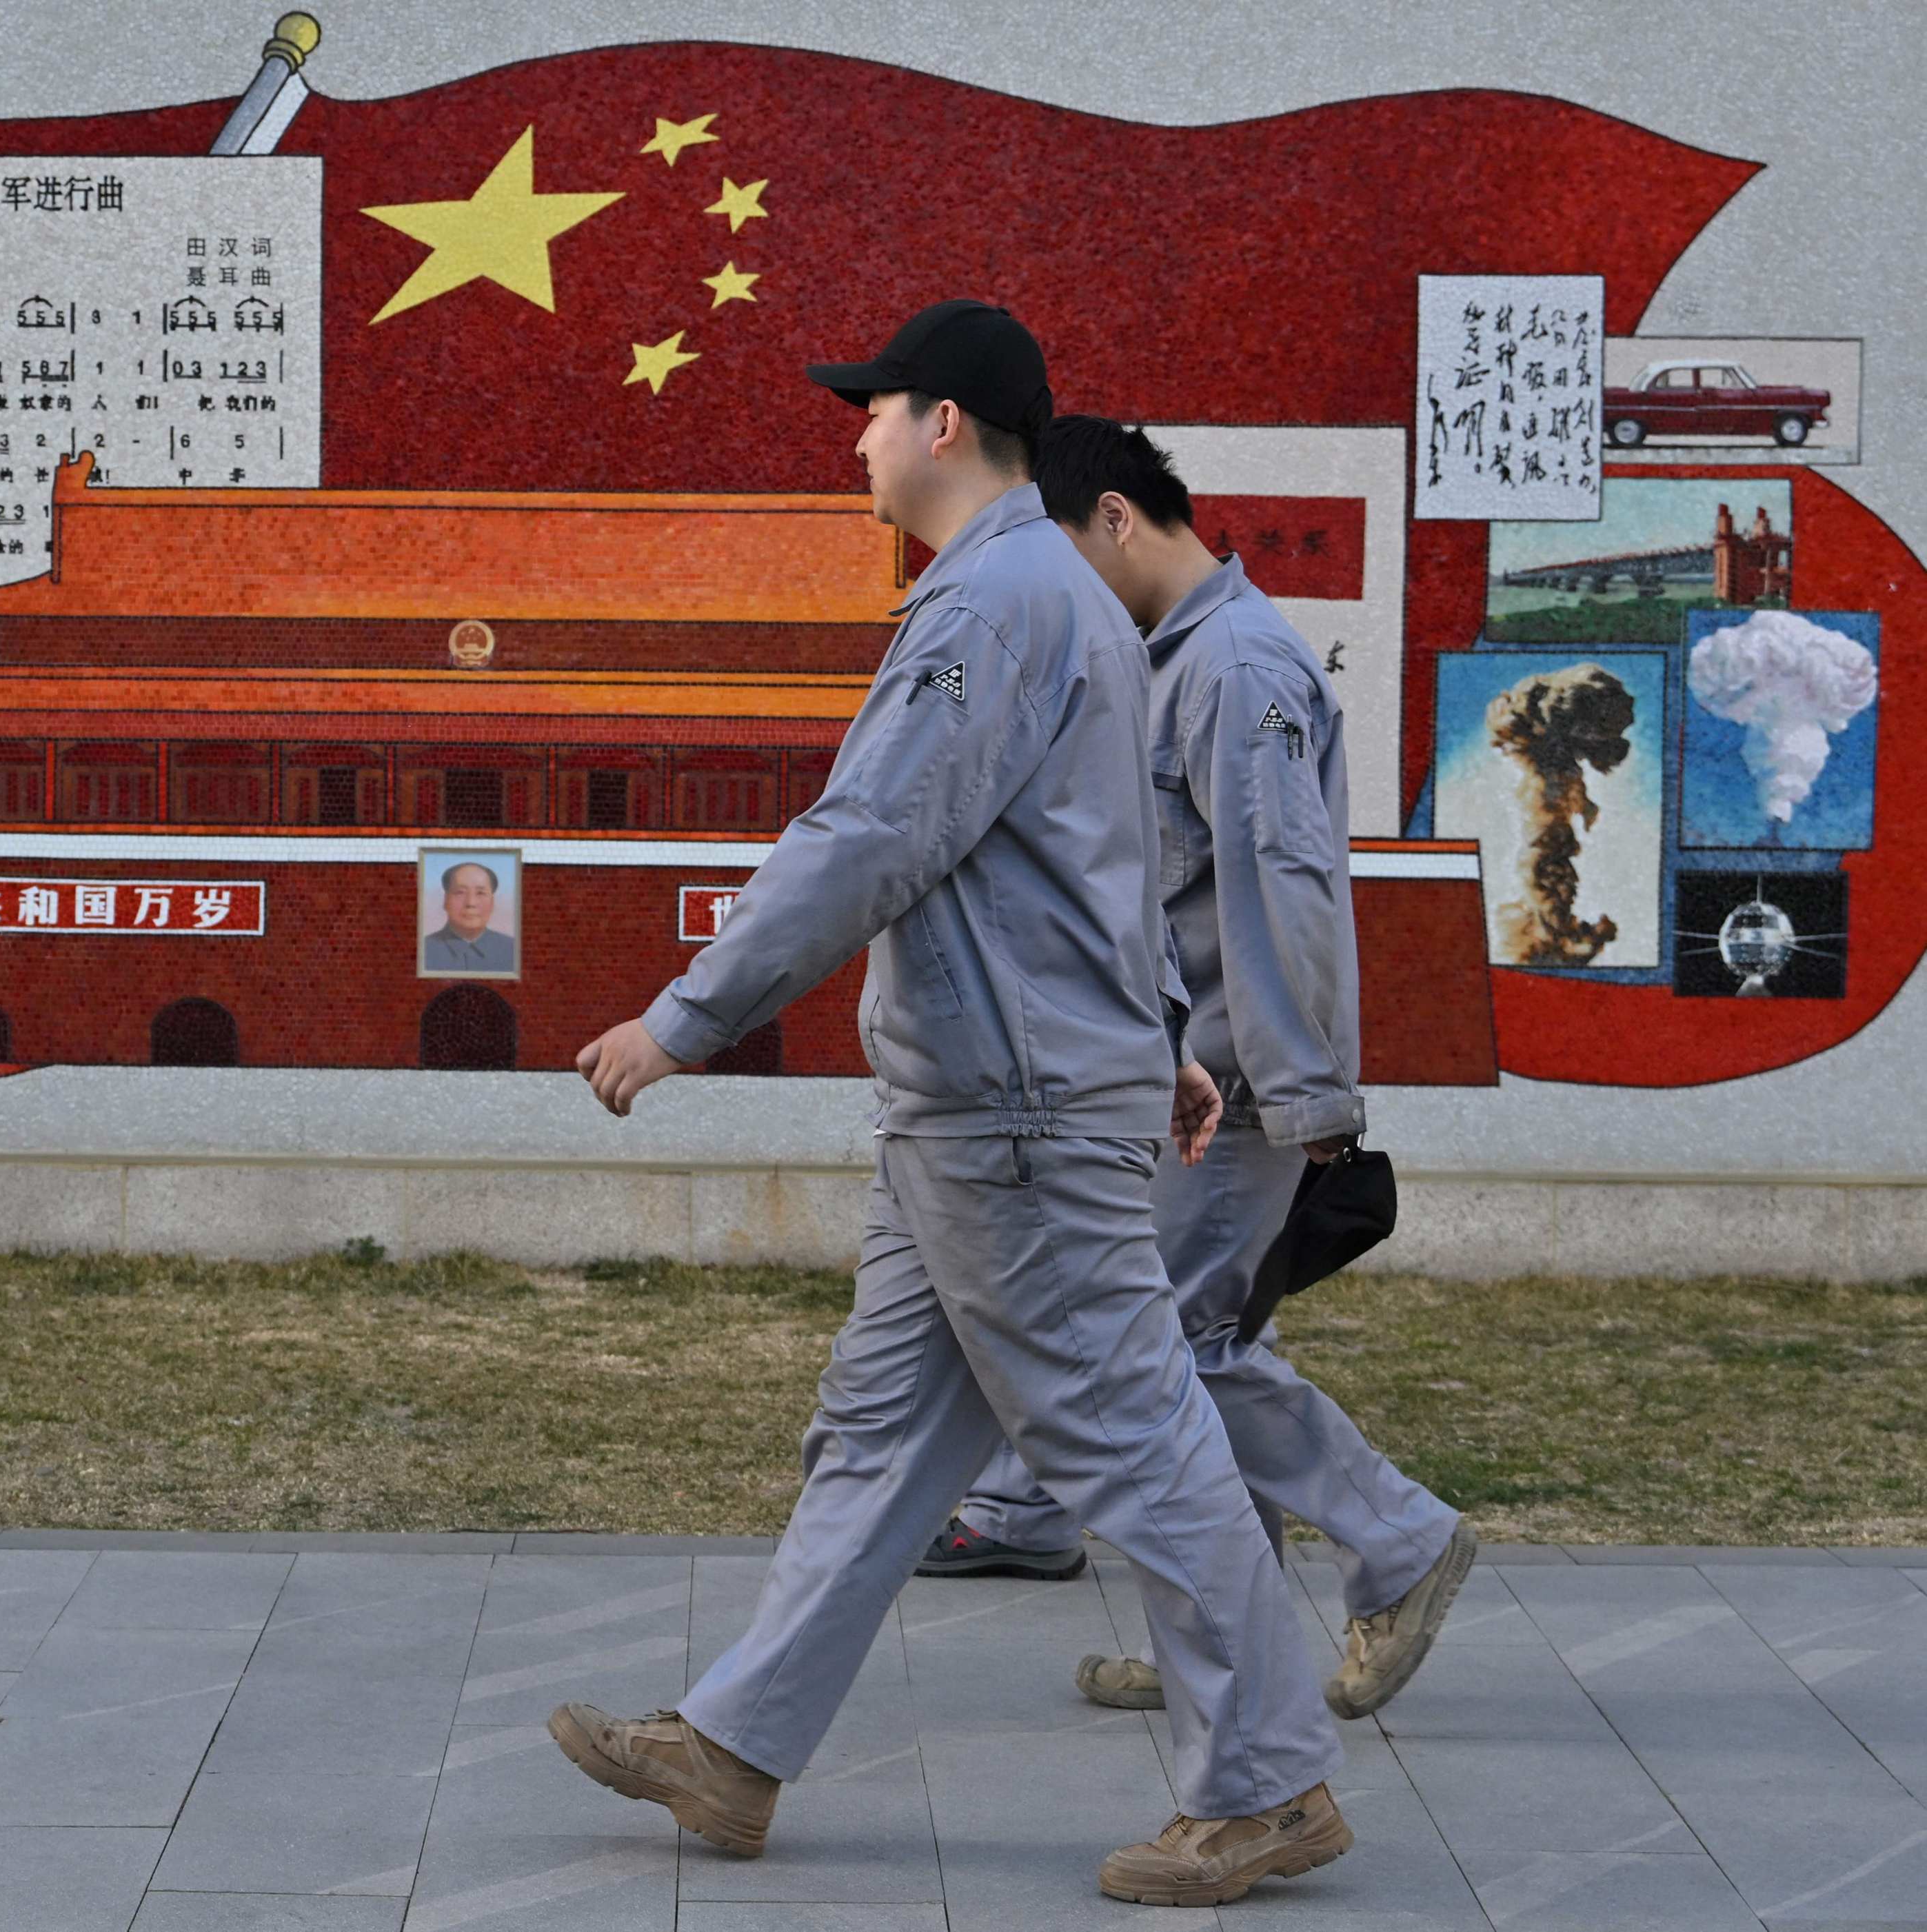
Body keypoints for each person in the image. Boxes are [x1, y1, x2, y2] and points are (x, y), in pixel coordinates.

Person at [549, 303, 1351, 1910]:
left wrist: (683, 1016)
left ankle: (1266, 1785)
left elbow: (870, 840)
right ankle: (735, 1748)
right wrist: (1165, 1035)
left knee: (1130, 1433)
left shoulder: (988, 606)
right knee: (884, 1442)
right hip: (1000, 1095)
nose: (852, 436)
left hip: (1011, 1108)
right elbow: (1108, 854)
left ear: (942, 425)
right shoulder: (1063, 601)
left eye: (870, 409)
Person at [925, 419, 1475, 1723]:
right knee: (1182, 1357)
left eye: (1059, 553)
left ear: (1117, 517)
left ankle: (1397, 1540)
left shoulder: (1238, 667)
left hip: (1236, 1087)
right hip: (1189, 1083)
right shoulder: (1167, 659)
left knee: (1168, 1353)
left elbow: (1283, 890)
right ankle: (1231, 1649)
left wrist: (1311, 1098)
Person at [421, 859, 516, 973]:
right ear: (445, 901)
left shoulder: (513, 950)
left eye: (481, 893)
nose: (471, 903)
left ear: (492, 903)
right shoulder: (423, 951)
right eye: (460, 892)